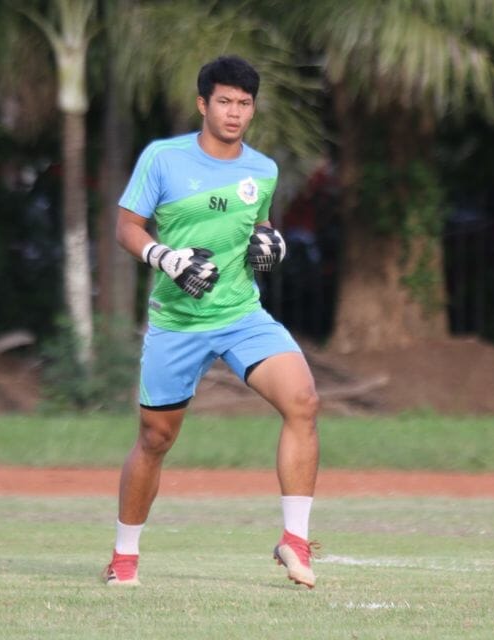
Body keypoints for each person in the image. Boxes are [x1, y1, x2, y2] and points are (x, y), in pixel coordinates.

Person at [101, 55, 321, 589]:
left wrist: (270, 244)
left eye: (244, 103)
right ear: (203, 104)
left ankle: (295, 542)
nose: (234, 112)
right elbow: (127, 227)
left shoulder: (263, 170)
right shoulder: (163, 158)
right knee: (155, 439)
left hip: (241, 314)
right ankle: (124, 556)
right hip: (177, 321)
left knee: (303, 401)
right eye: (224, 101)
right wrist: (165, 257)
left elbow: (259, 228)